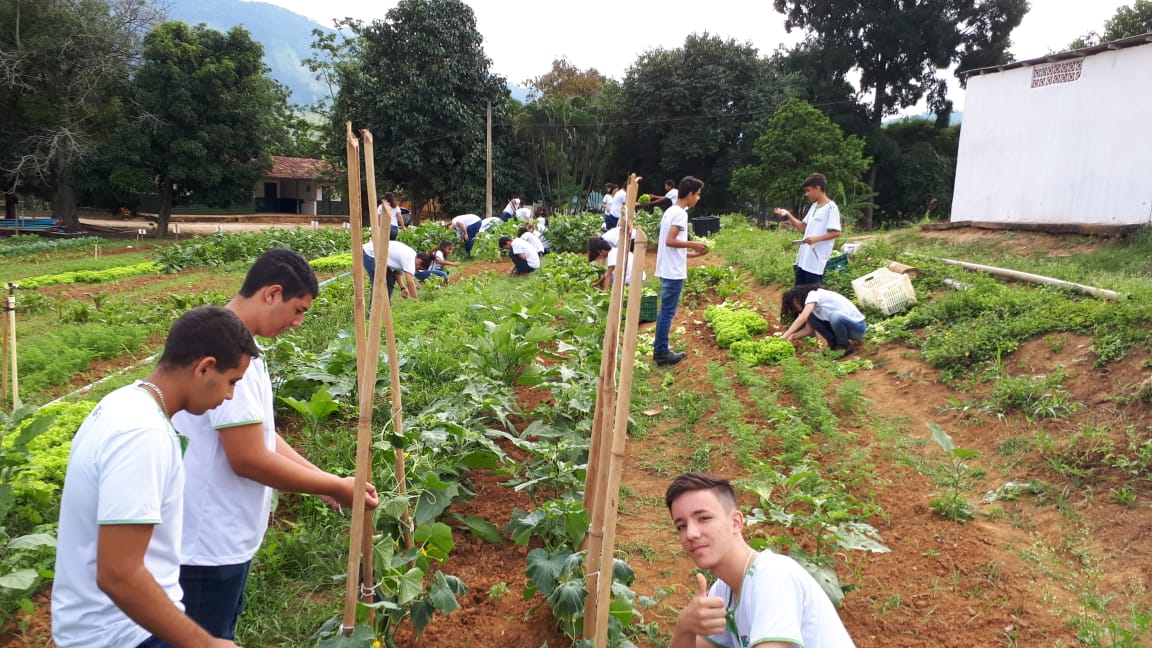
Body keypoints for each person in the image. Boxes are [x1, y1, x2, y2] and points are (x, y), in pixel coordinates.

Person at [174, 249, 381, 640]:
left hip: (219, 539)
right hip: (206, 546)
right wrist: (335, 486)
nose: (298, 322)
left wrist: (324, 482)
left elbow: (261, 434)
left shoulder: (237, 345)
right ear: (271, 294)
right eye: (298, 310)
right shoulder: (227, 352)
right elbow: (248, 457)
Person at [52, 306, 260, 648]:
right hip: (124, 635)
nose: (229, 396)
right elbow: (119, 574)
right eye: (232, 381)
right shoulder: (142, 434)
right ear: (205, 367)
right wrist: (206, 644)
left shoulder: (121, 403)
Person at [666, 473, 856, 648]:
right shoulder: (722, 592)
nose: (691, 533)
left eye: (704, 518)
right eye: (681, 526)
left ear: (736, 522)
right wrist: (684, 626)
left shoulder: (772, 575)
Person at [653, 176, 709, 367]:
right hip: (673, 272)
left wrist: (694, 253)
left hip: (667, 268)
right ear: (690, 194)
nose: (698, 198)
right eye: (698, 194)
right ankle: (661, 352)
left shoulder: (670, 211)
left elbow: (673, 247)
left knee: (665, 311)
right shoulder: (680, 214)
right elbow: (670, 240)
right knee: (667, 312)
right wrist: (694, 244)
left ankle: (661, 348)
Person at [774, 173, 842, 286]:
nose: (806, 194)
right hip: (804, 259)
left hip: (815, 262)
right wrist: (788, 214)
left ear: (817, 188)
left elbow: (836, 233)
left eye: (808, 190)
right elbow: (802, 227)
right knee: (799, 292)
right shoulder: (814, 206)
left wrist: (816, 239)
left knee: (811, 293)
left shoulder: (831, 208)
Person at [778, 284, 866, 358]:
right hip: (846, 329)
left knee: (835, 317)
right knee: (812, 317)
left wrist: (785, 336)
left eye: (793, 304)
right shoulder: (811, 306)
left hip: (857, 328)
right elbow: (808, 330)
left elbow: (803, 317)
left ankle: (844, 346)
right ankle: (833, 343)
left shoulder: (813, 295)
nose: (795, 308)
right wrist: (792, 337)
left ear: (797, 298)